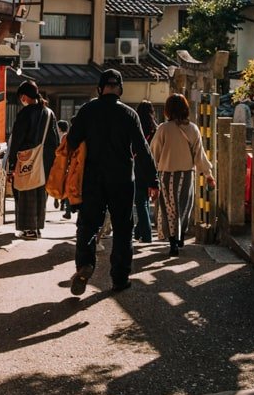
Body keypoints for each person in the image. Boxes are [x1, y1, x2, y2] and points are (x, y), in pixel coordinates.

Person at [66, 69, 157, 294]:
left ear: (99, 88)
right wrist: (153, 180)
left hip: (92, 179)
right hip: (122, 180)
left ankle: (85, 264)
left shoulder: (87, 110)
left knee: (88, 225)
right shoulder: (129, 114)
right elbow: (142, 149)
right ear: (120, 89)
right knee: (123, 228)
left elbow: (72, 140)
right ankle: (119, 278)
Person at [149, 92, 215, 256]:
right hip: (186, 176)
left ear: (168, 110)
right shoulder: (193, 129)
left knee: (169, 209)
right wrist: (208, 175)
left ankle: (173, 242)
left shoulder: (163, 128)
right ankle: (179, 237)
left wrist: (150, 177)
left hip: (166, 175)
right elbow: (199, 154)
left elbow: (153, 153)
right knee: (184, 208)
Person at [8, 80, 60, 239]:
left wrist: (12, 163)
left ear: (24, 96)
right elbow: (55, 140)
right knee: (40, 193)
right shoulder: (49, 113)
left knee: (25, 192)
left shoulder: (25, 113)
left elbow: (17, 139)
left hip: (27, 158)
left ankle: (29, 230)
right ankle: (37, 228)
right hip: (45, 160)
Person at [131, 100, 159, 242]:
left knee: (140, 201)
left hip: (137, 166)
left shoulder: (136, 126)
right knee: (145, 201)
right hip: (151, 166)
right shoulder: (155, 128)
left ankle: (146, 234)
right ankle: (139, 232)